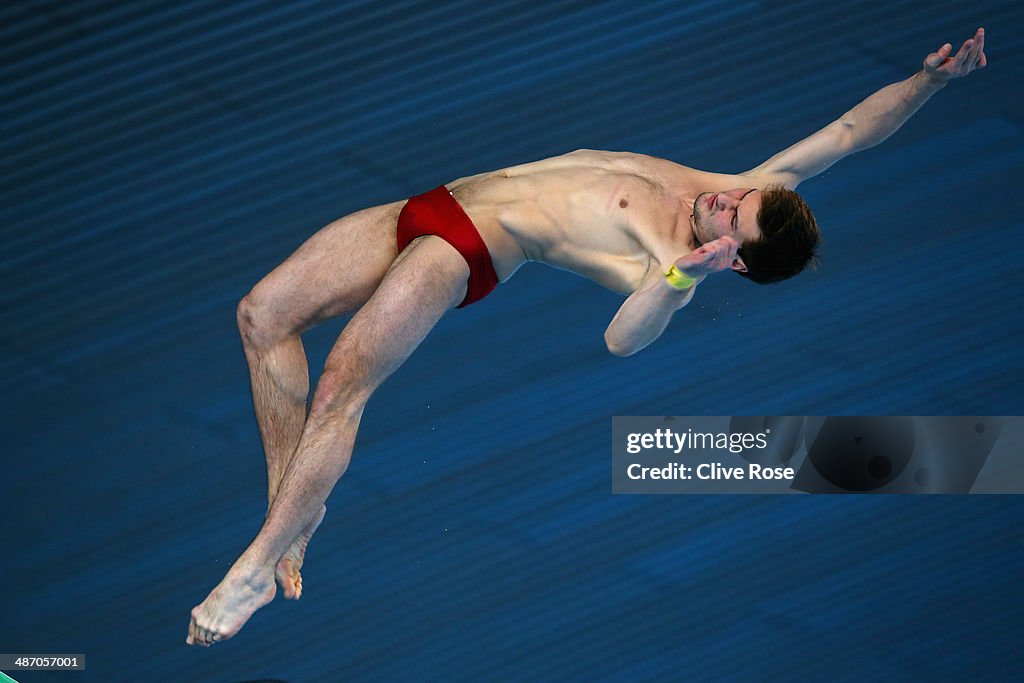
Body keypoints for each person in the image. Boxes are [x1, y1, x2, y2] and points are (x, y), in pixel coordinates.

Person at [186, 28, 987, 646]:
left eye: (732, 218)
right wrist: (928, 82)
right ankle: (289, 516)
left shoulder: (674, 261)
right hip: (436, 200)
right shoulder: (750, 194)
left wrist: (681, 278)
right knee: (263, 314)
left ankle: (257, 567)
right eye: (739, 195)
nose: (725, 197)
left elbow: (621, 343)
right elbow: (850, 132)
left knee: (340, 385)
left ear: (734, 262)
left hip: (468, 246)